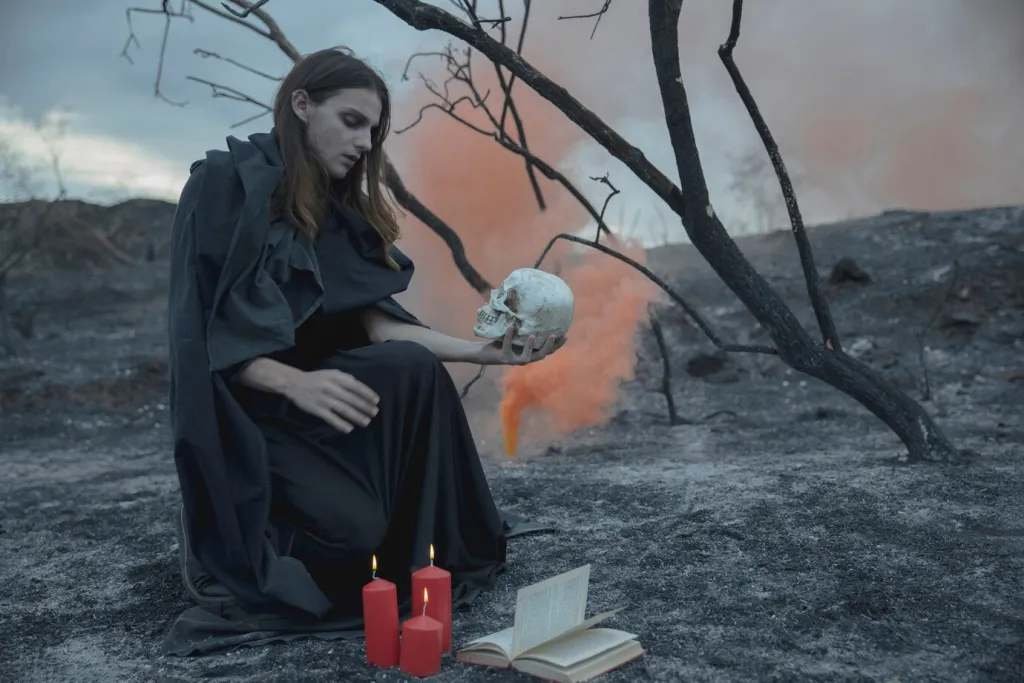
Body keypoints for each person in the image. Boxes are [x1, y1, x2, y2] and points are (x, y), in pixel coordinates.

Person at [162, 47, 565, 655]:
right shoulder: (224, 184)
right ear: (302, 104)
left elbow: (379, 328)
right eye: (352, 121)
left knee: (413, 367)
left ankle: (411, 522)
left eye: (373, 130)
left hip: (327, 408)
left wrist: (485, 352)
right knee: (354, 543)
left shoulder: (337, 209)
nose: (364, 142)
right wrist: (290, 381)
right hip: (253, 417)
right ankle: (252, 525)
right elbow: (201, 333)